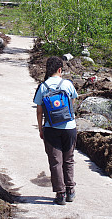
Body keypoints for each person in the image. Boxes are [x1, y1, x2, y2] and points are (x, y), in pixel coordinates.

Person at [33, 56, 78, 205]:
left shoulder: (43, 86)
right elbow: (72, 104)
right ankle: (71, 190)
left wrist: (40, 128)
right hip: (69, 128)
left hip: (51, 129)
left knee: (55, 162)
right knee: (69, 160)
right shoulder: (67, 84)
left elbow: (39, 111)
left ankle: (60, 194)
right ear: (60, 70)